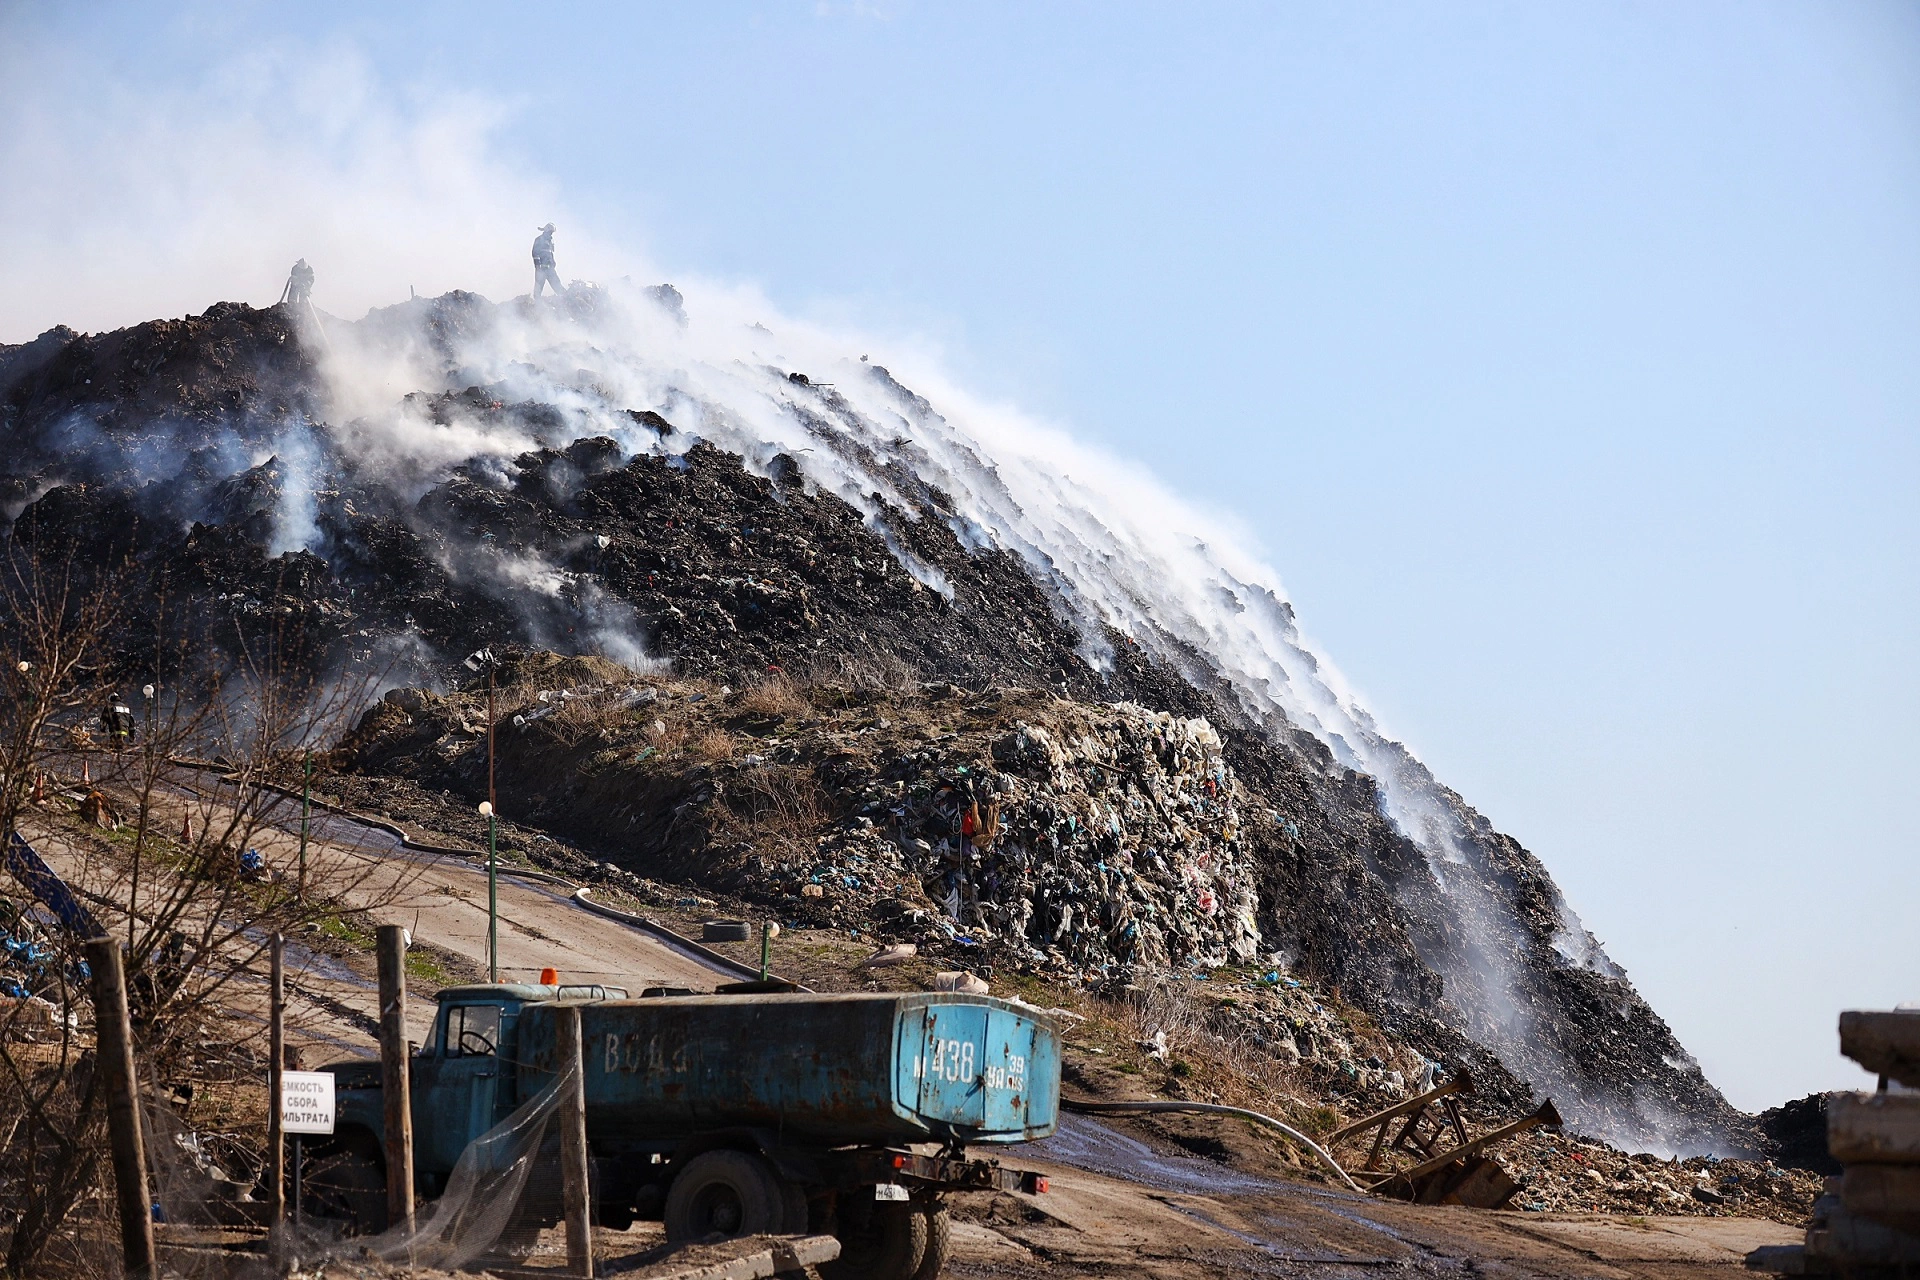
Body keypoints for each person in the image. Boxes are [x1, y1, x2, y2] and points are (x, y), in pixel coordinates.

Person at [532, 223, 563, 298]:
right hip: (541, 269)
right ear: (546, 230)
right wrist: (538, 265)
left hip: (550, 269)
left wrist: (553, 261)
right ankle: (537, 304)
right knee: (538, 288)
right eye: (550, 232)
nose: (551, 234)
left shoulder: (550, 241)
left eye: (552, 232)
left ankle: (564, 300)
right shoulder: (539, 239)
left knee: (557, 285)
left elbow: (550, 253)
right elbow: (535, 253)